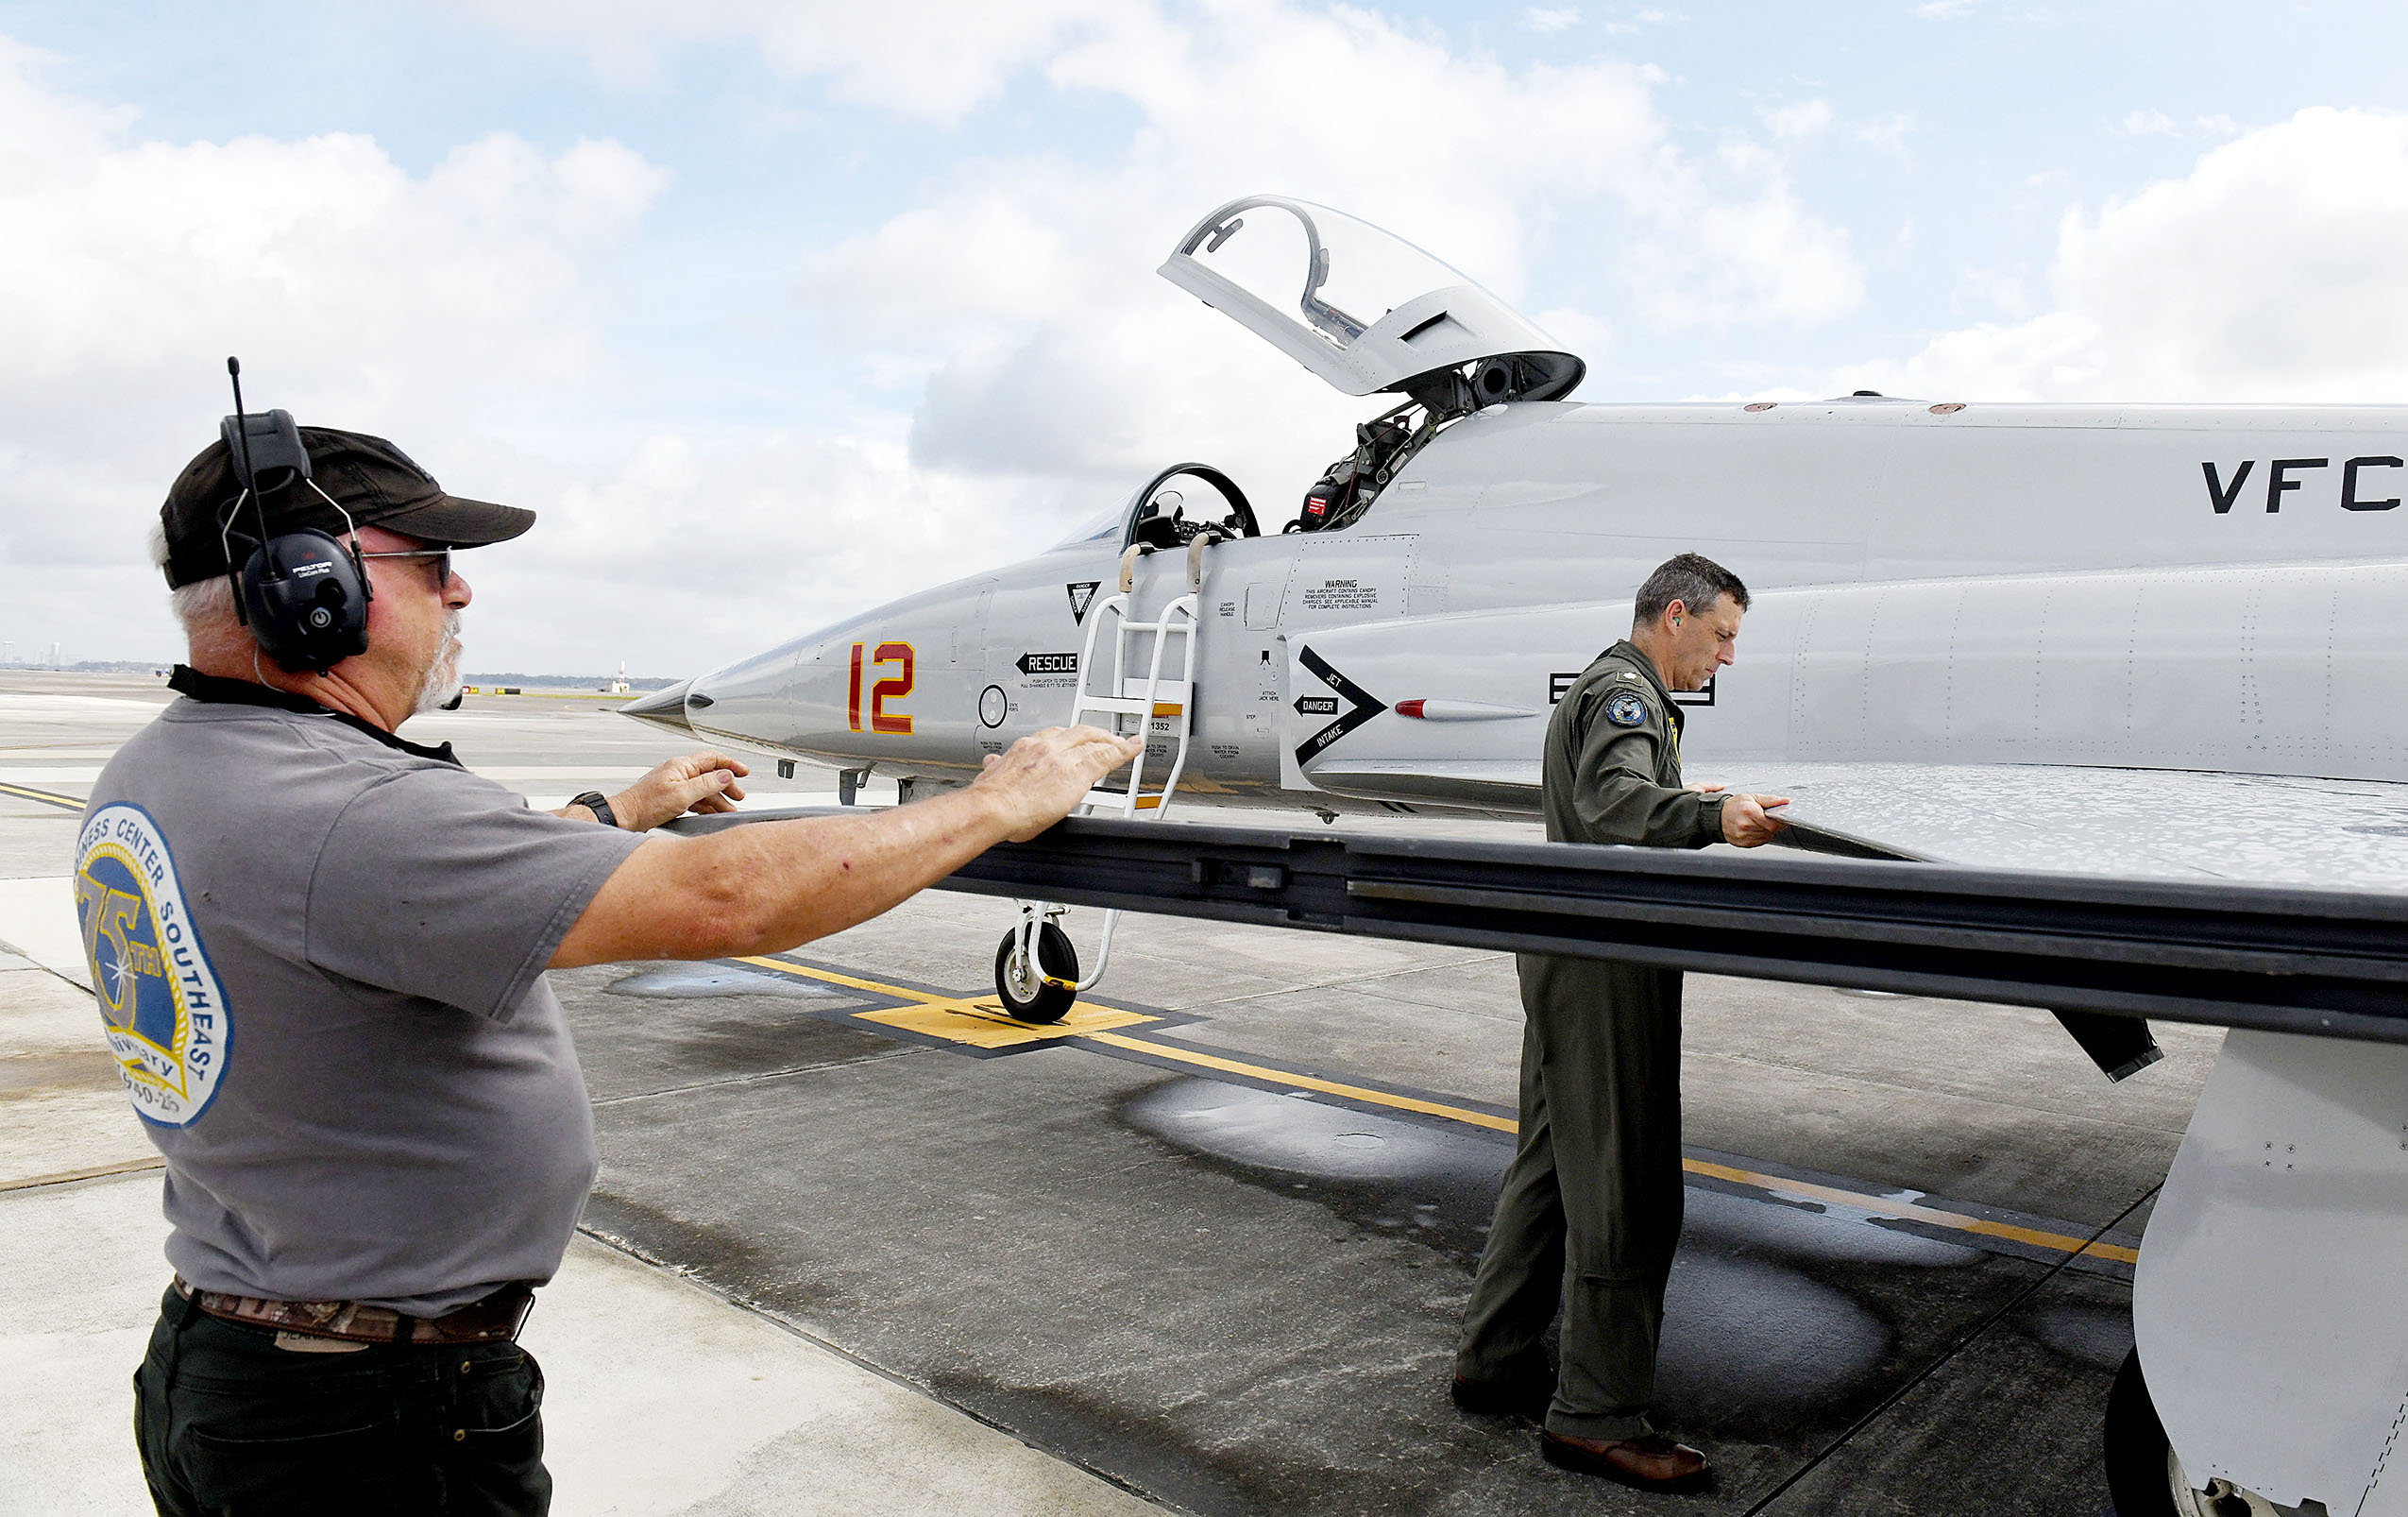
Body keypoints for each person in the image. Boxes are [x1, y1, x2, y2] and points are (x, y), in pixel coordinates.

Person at [88, 421, 1140, 1515]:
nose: (461, 597)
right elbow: (723, 898)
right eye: (434, 564)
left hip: (243, 1371)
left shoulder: (167, 769)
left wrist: (619, 814)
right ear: (314, 590)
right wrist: (993, 803)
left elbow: (373, 899)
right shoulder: (354, 810)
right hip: (364, 1425)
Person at [1451, 553, 1789, 1492]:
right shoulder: (1624, 694)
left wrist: (1695, 804)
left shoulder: (1616, 690)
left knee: (1553, 1168)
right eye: (1720, 634)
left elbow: (1613, 798)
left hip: (1571, 960)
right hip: (1604, 971)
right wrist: (1715, 815)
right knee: (1626, 1186)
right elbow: (1612, 804)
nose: (1726, 656)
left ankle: (1496, 1357)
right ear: (1672, 614)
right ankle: (1596, 1416)